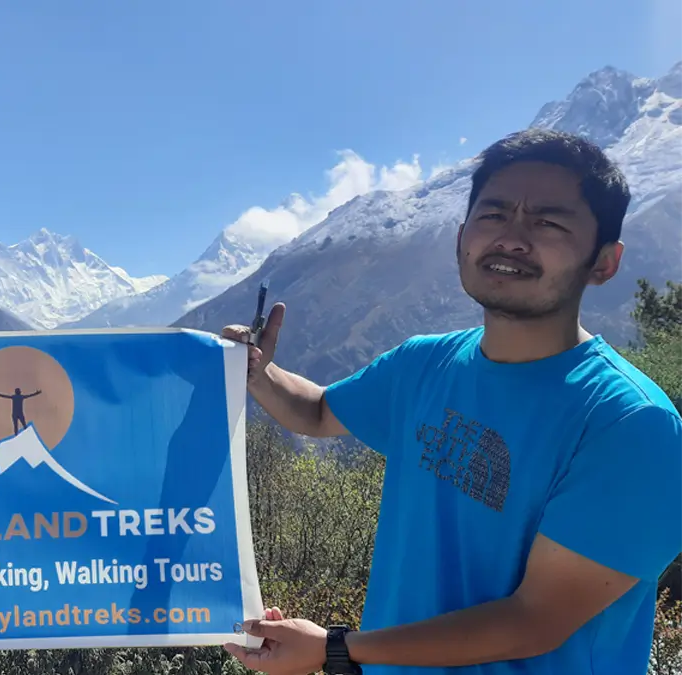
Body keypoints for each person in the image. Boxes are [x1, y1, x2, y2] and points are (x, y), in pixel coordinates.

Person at [221, 128, 682, 675]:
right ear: (462, 238)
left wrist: (335, 650)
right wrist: (258, 371)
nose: (512, 238)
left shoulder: (632, 423)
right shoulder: (424, 363)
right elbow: (319, 411)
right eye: (494, 215)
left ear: (604, 261)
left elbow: (534, 620)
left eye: (548, 222)